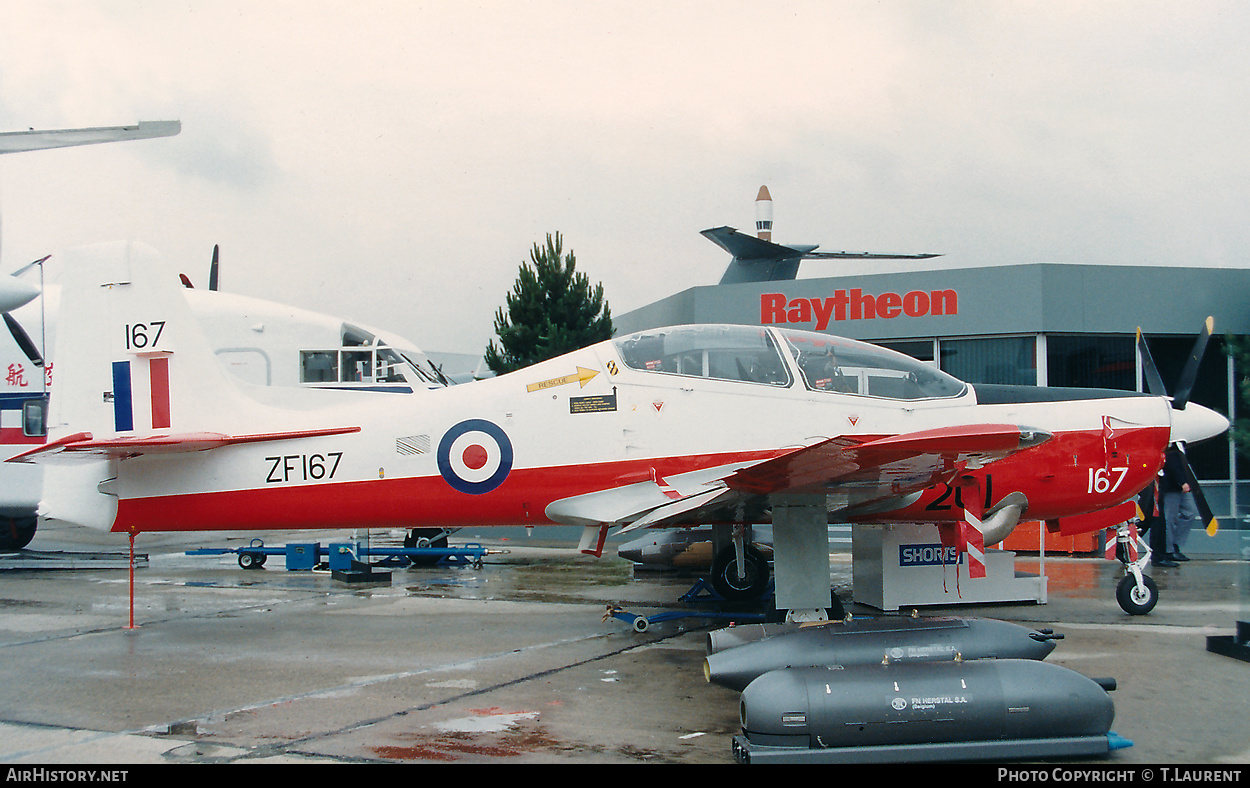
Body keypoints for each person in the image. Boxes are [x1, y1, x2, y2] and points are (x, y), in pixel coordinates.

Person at [1159, 447, 1200, 563]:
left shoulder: (1180, 445)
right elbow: (1172, 464)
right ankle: (1170, 550)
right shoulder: (1171, 446)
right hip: (1171, 486)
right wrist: (1182, 481)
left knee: (1190, 513)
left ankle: (1174, 544)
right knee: (1170, 518)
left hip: (1179, 486)